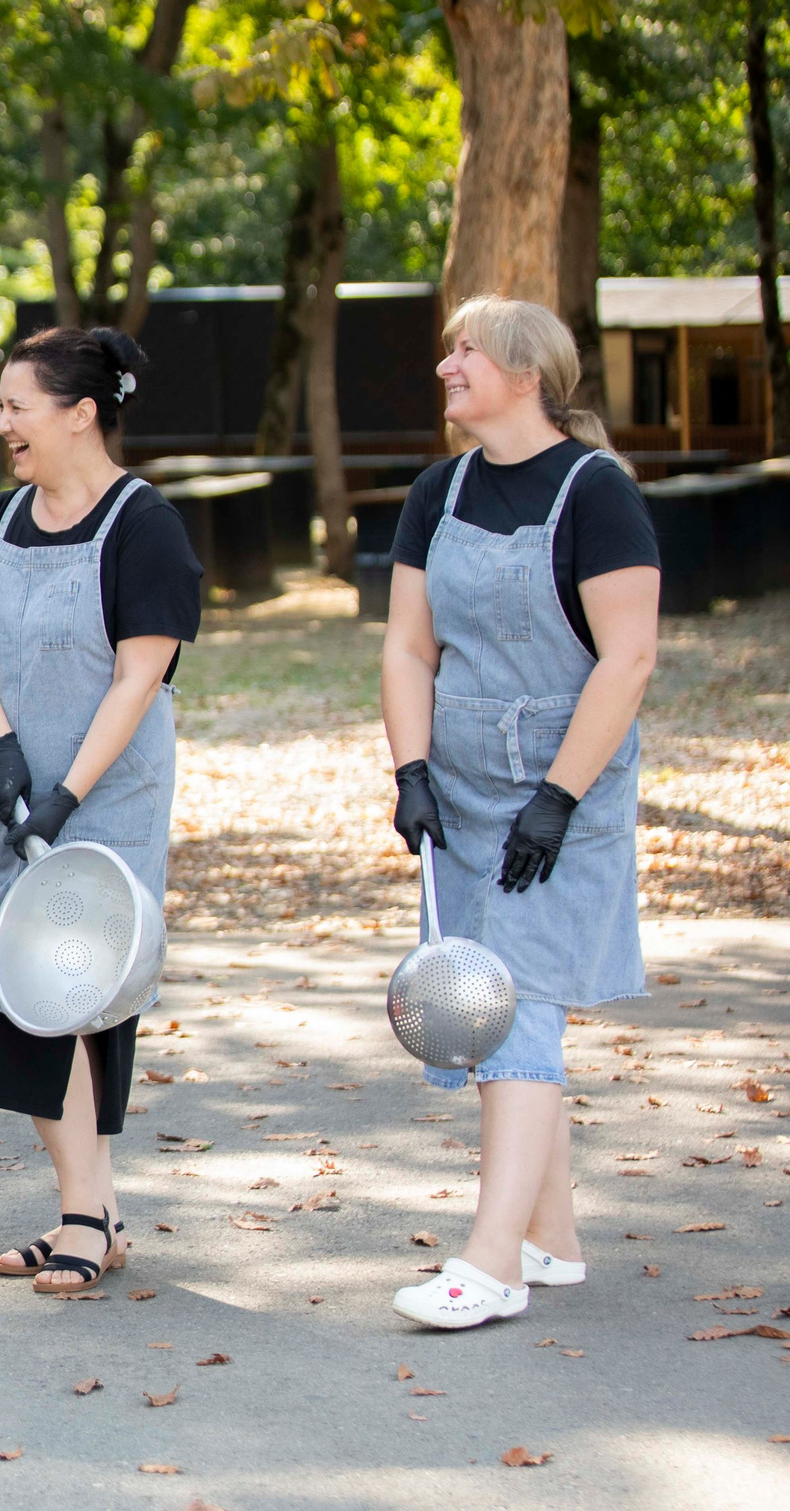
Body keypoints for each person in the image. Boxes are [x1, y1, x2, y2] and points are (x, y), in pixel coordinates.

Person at [383, 295, 659, 1330]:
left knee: (517, 1003)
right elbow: (408, 646)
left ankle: (492, 1263)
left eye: (467, 351)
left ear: (527, 375)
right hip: (458, 787)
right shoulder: (438, 491)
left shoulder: (598, 492)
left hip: (565, 792)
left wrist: (557, 797)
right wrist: (410, 768)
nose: (446, 365)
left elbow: (628, 657)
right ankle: (553, 1239)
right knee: (484, 1006)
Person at [0, 327, 203, 1295]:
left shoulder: (144, 523)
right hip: (9, 798)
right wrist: (0, 749)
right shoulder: (2, 517)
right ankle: (91, 1211)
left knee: (80, 998)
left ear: (81, 412)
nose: (1, 422)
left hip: (104, 802)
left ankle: (87, 1212)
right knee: (24, 994)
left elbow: (140, 675)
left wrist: (66, 794)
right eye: (0, 405)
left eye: (18, 405)